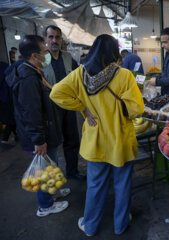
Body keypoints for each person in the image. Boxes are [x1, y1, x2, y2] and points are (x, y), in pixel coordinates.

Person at [50, 34, 144, 236]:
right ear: (114, 53)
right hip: (120, 142)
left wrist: (82, 107)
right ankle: (121, 225)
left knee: (95, 186)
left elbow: (55, 93)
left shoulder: (79, 75)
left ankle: (90, 225)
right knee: (122, 184)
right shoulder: (125, 75)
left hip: (96, 142)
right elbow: (137, 110)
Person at [6, 35, 69, 217]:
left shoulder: (33, 71)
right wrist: (38, 140)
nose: (47, 54)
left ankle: (53, 193)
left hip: (46, 130)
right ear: (35, 55)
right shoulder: (28, 79)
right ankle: (45, 206)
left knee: (52, 165)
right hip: (40, 135)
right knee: (44, 171)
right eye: (44, 51)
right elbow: (31, 112)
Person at [42, 25, 85, 180]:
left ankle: (72, 172)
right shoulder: (41, 60)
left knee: (72, 140)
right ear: (45, 39)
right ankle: (54, 179)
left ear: (61, 39)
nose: (54, 40)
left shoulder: (68, 58)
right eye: (51, 37)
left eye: (57, 37)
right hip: (50, 109)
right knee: (52, 144)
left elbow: (78, 77)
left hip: (68, 106)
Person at [0, 60, 16, 145]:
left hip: (4, 99)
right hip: (7, 99)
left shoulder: (3, 66)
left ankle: (13, 136)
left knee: (10, 119)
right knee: (11, 119)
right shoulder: (4, 66)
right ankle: (5, 138)